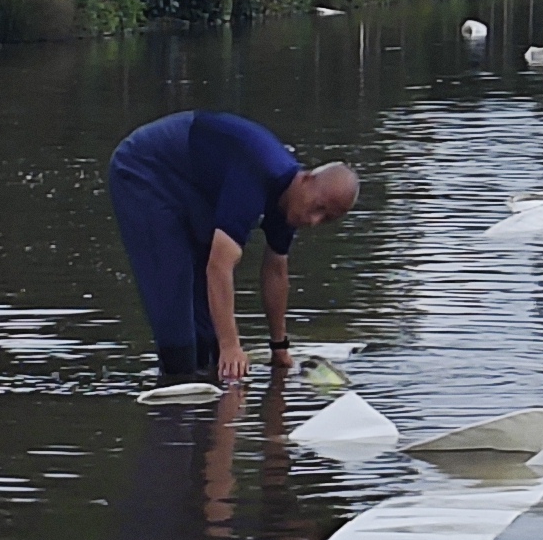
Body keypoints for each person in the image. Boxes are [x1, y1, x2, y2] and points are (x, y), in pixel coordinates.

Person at [105, 111, 360, 390]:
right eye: (318, 208)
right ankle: (173, 405)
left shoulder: (291, 204)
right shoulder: (258, 172)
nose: (313, 221)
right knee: (175, 302)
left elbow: (275, 272)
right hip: (145, 169)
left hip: (193, 187)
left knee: (209, 339)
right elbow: (219, 266)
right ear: (307, 179)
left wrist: (279, 348)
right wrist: (232, 346)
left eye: (327, 219)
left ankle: (206, 415)